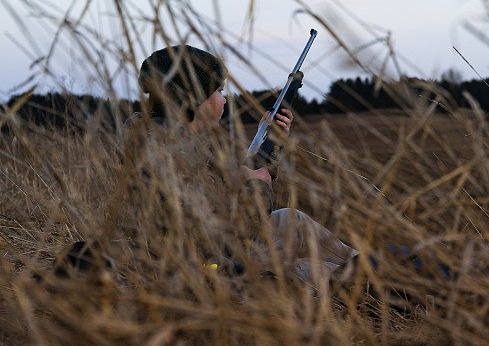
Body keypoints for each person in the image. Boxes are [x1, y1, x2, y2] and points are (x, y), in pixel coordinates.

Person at [58, 44, 358, 283]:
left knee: (289, 219)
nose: (224, 100)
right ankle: (376, 281)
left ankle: (372, 267)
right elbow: (235, 233)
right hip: (199, 276)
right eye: (219, 92)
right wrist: (259, 184)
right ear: (194, 99)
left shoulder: (165, 141)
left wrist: (269, 148)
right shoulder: (172, 154)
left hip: (206, 260)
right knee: (304, 270)